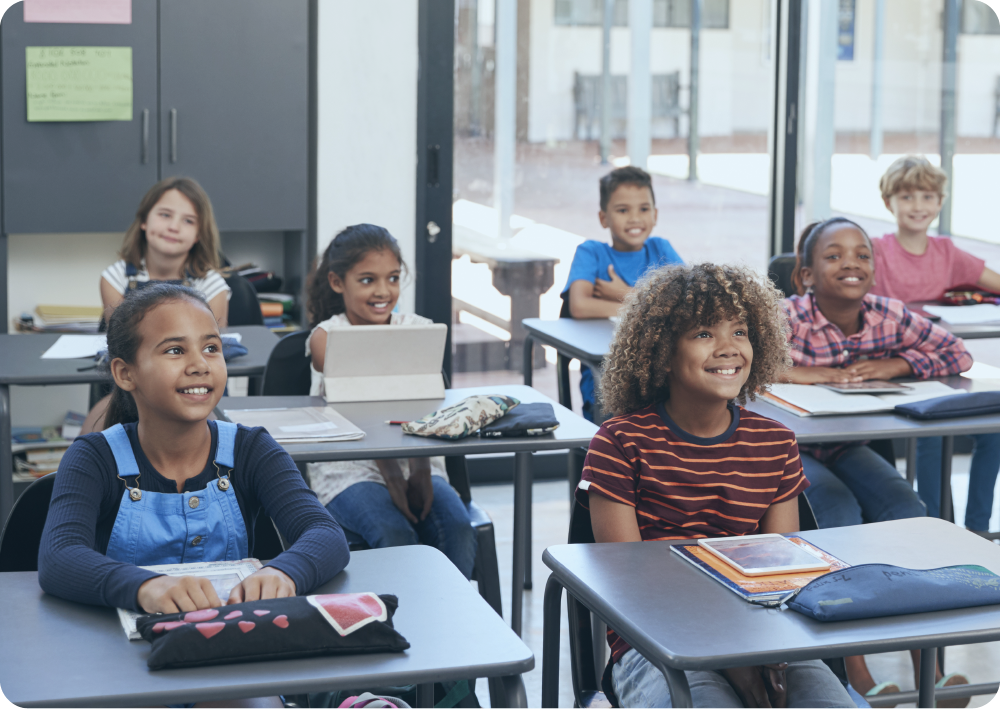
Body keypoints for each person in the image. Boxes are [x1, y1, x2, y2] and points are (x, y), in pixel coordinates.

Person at [38, 284, 348, 706]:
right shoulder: (93, 457)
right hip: (121, 664)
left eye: (211, 349)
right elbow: (58, 556)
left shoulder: (251, 449)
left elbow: (325, 534)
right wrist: (145, 587)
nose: (200, 365)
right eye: (174, 351)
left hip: (226, 660)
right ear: (125, 373)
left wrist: (285, 572)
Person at [582, 262, 852, 709]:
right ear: (663, 352)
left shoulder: (775, 442)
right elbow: (631, 590)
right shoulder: (619, 443)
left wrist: (753, 652)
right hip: (655, 644)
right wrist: (728, 659)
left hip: (764, 635)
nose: (728, 348)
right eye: (704, 334)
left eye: (740, 332)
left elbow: (779, 574)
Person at [783, 216, 970, 705]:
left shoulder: (887, 313)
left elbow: (956, 353)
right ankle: (855, 674)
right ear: (805, 276)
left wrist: (898, 363)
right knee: (837, 513)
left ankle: (929, 667)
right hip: (791, 448)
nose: (852, 263)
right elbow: (741, 361)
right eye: (834, 255)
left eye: (862, 255)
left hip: (847, 444)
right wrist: (802, 371)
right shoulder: (787, 317)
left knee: (909, 512)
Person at [305, 224, 476, 579]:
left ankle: (449, 617)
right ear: (338, 282)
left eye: (393, 278)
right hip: (348, 470)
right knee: (395, 532)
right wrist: (393, 478)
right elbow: (361, 405)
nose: (383, 291)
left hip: (416, 459)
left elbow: (425, 405)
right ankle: (402, 624)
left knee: (457, 527)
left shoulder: (419, 328)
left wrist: (421, 469)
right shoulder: (326, 336)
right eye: (367, 280)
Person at [870, 155, 1000, 533]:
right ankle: (938, 527)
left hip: (942, 365)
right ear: (888, 202)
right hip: (891, 367)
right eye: (907, 196)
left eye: (927, 196)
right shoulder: (876, 251)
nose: (918, 206)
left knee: (993, 430)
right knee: (932, 434)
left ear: (940, 202)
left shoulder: (946, 252)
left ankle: (975, 530)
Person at [83, 177, 233, 435]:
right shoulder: (115, 278)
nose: (174, 227)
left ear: (199, 234)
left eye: (188, 220)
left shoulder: (213, 285)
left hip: (197, 391)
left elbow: (211, 348)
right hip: (134, 390)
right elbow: (126, 342)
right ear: (144, 221)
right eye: (165, 215)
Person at [561, 165, 683, 420]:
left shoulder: (661, 248)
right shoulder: (592, 252)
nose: (635, 218)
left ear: (656, 214)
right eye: (622, 210)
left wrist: (624, 293)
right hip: (605, 374)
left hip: (663, 373)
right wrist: (652, 306)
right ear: (604, 218)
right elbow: (580, 307)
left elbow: (686, 304)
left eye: (644, 209)